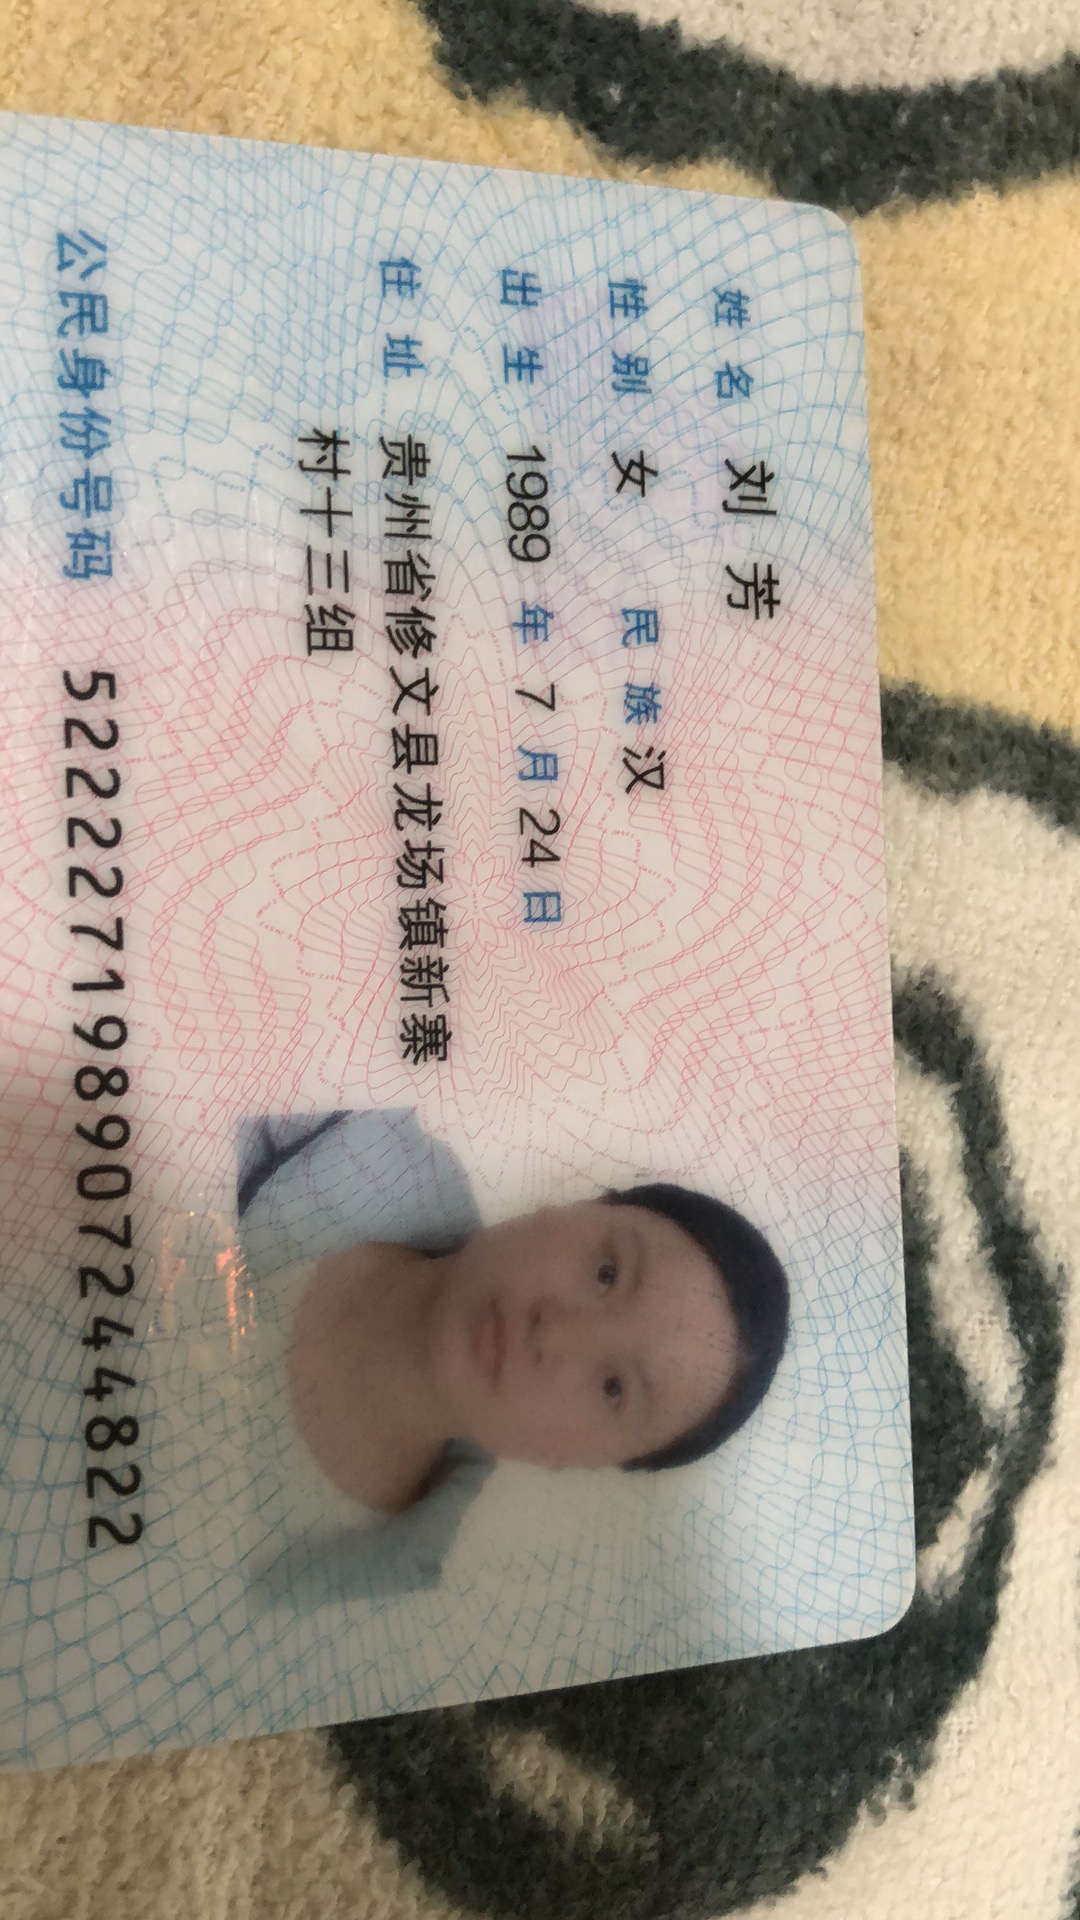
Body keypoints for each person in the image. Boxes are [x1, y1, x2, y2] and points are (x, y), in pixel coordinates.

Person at [224, 1111, 790, 1611]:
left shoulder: (371, 1604)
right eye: (606, 1273)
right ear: (579, 1209)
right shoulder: (338, 1119)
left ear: (588, 1460)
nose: (555, 1332)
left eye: (613, 1387)